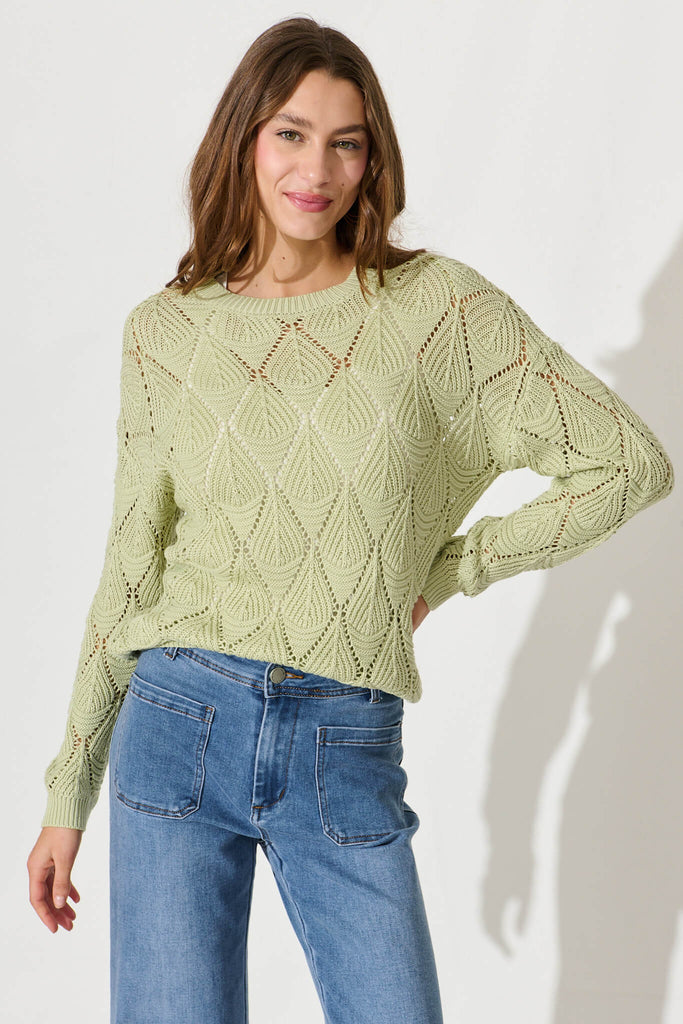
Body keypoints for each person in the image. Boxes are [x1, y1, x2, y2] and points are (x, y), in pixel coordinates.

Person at [27, 14, 674, 1024]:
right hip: (176, 723)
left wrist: (450, 570)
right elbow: (131, 568)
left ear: (373, 159)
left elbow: (628, 464)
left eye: (346, 142)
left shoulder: (434, 311)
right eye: (290, 134)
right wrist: (68, 793)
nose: (315, 170)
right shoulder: (167, 332)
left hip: (343, 737)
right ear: (244, 138)